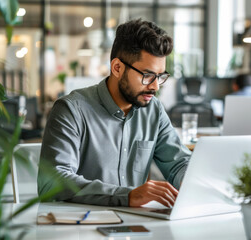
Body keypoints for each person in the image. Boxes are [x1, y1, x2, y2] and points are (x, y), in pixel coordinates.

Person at [38, 19, 191, 208]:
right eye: (147, 75)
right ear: (117, 67)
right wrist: (126, 196)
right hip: (82, 226)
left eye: (160, 77)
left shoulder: (154, 110)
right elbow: (53, 181)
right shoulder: (71, 110)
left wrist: (189, 180)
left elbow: (179, 163)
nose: (155, 86)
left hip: (138, 225)